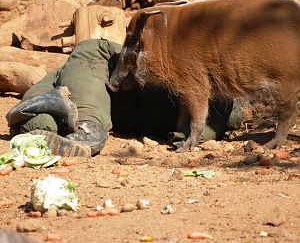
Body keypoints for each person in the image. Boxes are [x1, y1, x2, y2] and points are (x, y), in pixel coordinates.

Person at [6, 38, 243, 157]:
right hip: (182, 114)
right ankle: (52, 123)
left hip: (162, 95)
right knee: (38, 115)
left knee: (90, 50)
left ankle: (87, 129)